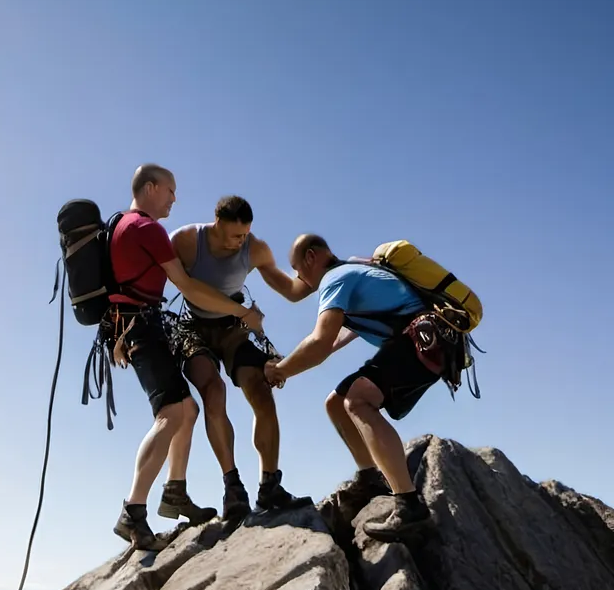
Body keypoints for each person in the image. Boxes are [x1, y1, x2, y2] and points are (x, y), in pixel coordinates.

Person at [106, 165, 266, 551]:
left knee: (187, 409)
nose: (174, 199)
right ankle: (133, 511)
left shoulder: (117, 226)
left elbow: (115, 287)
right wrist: (243, 313)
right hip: (143, 328)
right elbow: (189, 286)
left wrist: (114, 335)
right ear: (151, 187)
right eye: (170, 191)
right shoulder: (147, 229)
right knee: (172, 414)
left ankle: (174, 491)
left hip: (133, 327)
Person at [264, 233, 449, 542]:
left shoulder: (336, 278)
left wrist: (280, 371)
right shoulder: (354, 270)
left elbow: (320, 342)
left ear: (311, 257)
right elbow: (337, 338)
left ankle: (409, 506)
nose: (299, 278)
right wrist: (288, 362)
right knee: (336, 403)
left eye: (297, 268)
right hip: (425, 340)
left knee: (358, 400)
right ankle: (370, 478)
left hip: (423, 340)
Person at [168, 196, 314, 523]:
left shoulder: (255, 248)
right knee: (213, 391)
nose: (240, 241)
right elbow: (184, 287)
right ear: (217, 224)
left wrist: (323, 271)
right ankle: (232, 487)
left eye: (245, 233)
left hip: (234, 328)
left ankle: (270, 486)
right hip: (193, 327)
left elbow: (291, 290)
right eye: (235, 235)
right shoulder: (186, 241)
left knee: (262, 392)